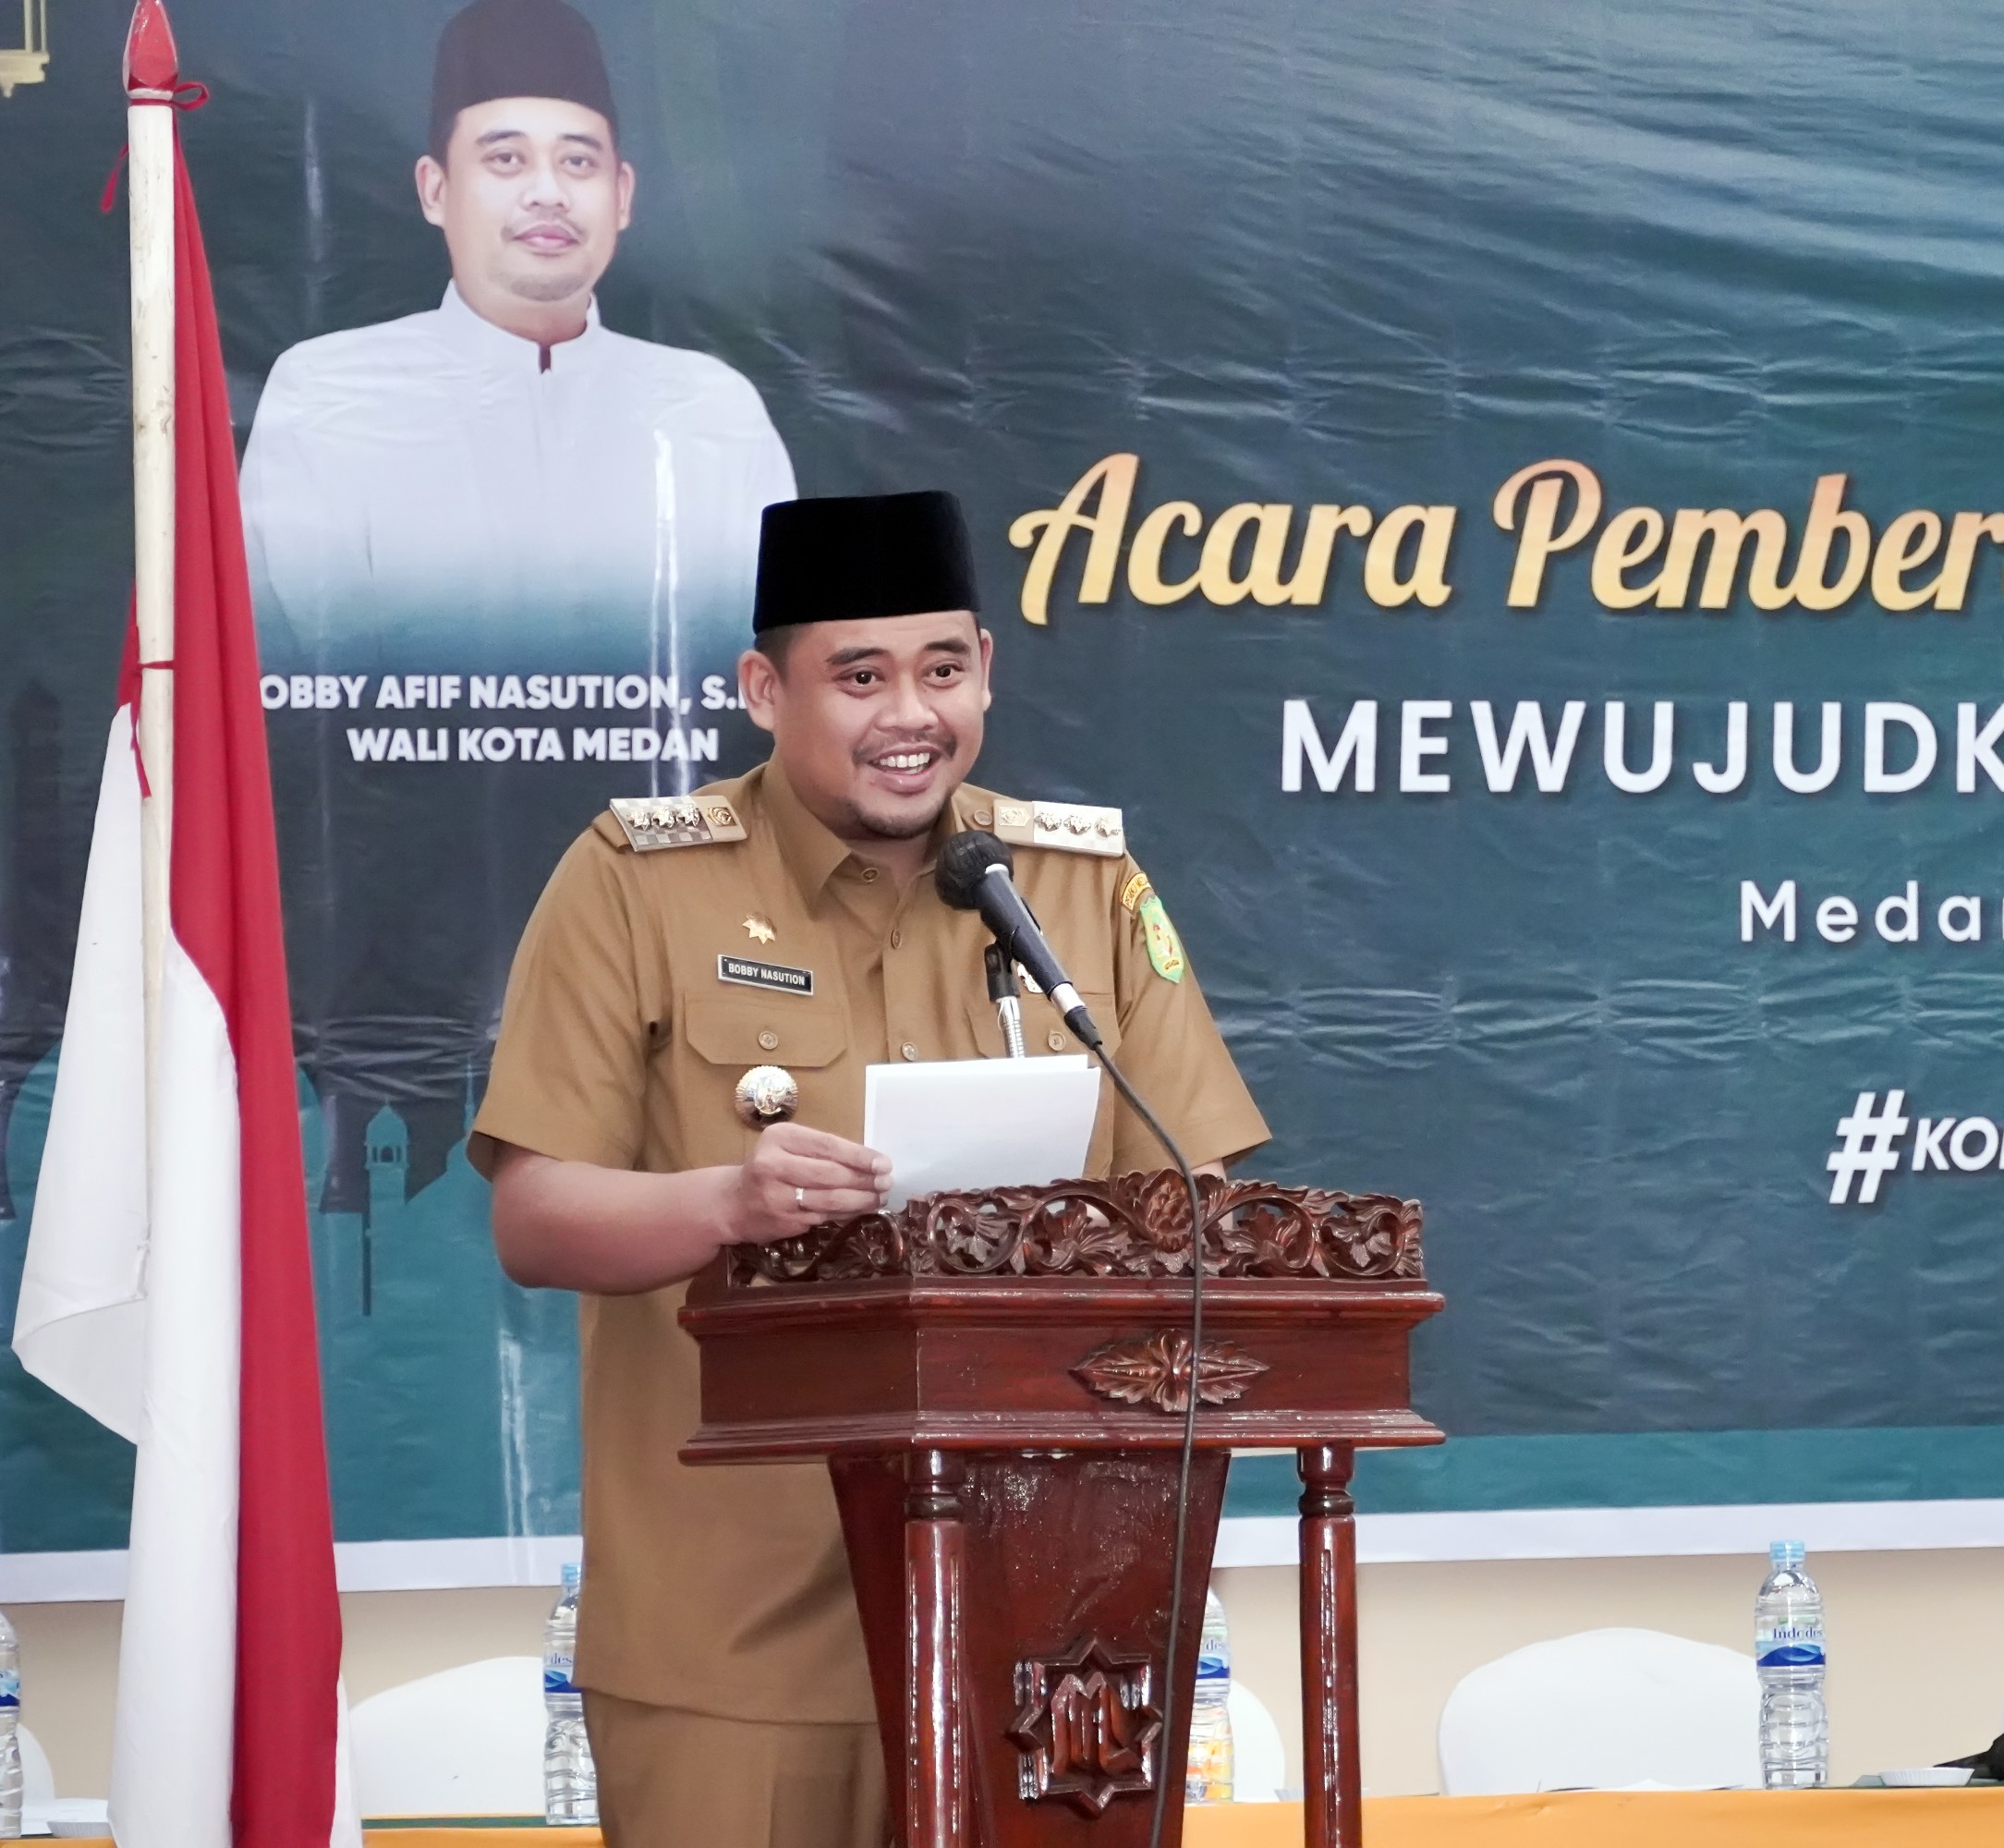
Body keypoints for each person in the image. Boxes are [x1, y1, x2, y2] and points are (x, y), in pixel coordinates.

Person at [469, 490, 1270, 1846]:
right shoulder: (632, 885)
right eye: (860, 676)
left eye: (943, 669)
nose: (913, 713)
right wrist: (727, 1201)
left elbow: (1204, 1208)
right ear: (764, 691)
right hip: (731, 1643)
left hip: (1038, 1637)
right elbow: (536, 1217)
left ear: (988, 674)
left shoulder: (1076, 885)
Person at [238, 0, 795, 658]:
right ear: (435, 189)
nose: (548, 193)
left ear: (621, 195)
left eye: (578, 163)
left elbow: (762, 669)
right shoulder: (329, 390)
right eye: (506, 159)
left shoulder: (711, 408)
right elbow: (304, 670)